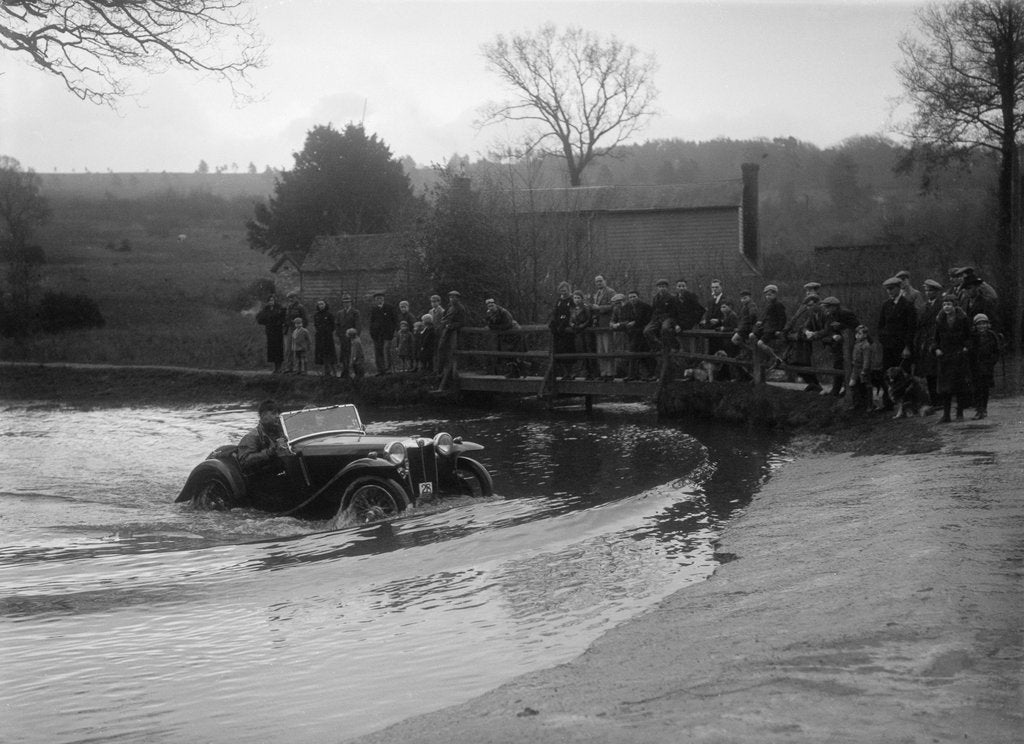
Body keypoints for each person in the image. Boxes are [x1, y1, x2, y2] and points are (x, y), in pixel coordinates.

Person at [876, 276, 917, 410]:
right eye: (887, 289)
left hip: (901, 346)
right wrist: (883, 339)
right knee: (886, 374)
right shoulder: (885, 305)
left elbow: (911, 328)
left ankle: (905, 405)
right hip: (888, 346)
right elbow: (881, 325)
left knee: (902, 377)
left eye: (892, 289)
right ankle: (888, 403)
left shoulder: (907, 305)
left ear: (899, 288)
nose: (889, 291)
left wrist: (907, 347)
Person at [808, 296, 859, 397]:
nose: (826, 309)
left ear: (834, 307)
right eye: (825, 307)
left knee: (850, 366)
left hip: (853, 344)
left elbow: (856, 326)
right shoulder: (830, 315)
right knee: (838, 365)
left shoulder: (845, 313)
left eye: (827, 307)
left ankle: (848, 390)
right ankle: (837, 390)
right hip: (839, 345)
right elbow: (830, 329)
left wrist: (842, 329)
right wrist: (834, 335)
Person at [933, 294, 971, 423]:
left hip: (959, 355)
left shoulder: (963, 318)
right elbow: (935, 338)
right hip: (945, 357)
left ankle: (959, 413)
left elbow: (969, 336)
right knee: (945, 388)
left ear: (955, 305)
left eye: (949, 304)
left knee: (959, 385)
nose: (946, 307)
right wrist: (936, 349)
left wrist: (966, 347)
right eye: (944, 305)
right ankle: (946, 415)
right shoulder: (940, 320)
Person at [237, 399, 289, 476]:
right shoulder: (252, 436)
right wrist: (270, 452)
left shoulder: (284, 431)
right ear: (263, 415)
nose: (278, 416)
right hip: (263, 476)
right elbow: (245, 461)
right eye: (274, 413)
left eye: (278, 413)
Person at [783, 292, 822, 391]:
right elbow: (793, 320)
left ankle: (815, 384)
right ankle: (814, 384)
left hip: (803, 341)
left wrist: (800, 333)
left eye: (811, 305)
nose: (809, 307)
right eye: (807, 305)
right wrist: (786, 331)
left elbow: (807, 326)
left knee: (803, 363)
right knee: (794, 362)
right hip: (796, 340)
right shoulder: (803, 309)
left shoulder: (817, 312)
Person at [914, 279, 944, 408]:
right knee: (929, 373)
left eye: (930, 290)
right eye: (926, 290)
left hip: (938, 341)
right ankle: (934, 400)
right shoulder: (924, 307)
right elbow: (920, 326)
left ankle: (942, 400)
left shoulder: (942, 305)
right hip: (926, 343)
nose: (928, 293)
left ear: (937, 292)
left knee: (939, 372)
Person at [613, 290, 652, 381]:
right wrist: (625, 323)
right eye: (630, 297)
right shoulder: (626, 307)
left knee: (646, 355)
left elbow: (648, 319)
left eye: (634, 297)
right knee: (633, 354)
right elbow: (622, 319)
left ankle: (648, 375)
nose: (632, 299)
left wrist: (636, 322)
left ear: (638, 297)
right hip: (632, 334)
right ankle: (633, 375)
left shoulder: (645, 307)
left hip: (642, 334)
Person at [968, 313, 1001, 419]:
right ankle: (979, 409)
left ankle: (984, 409)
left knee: (985, 388)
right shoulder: (972, 336)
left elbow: (997, 351)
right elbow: (969, 350)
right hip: (975, 366)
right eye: (979, 324)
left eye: (984, 324)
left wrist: (992, 362)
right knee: (976, 388)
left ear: (988, 325)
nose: (981, 326)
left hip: (987, 366)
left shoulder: (992, 335)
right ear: (975, 326)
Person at [436, 289, 467, 388]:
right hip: (445, 332)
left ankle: (450, 372)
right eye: (450, 297)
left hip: (453, 333)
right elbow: (445, 317)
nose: (451, 299)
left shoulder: (460, 308)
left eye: (454, 297)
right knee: (441, 349)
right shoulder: (449, 307)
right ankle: (440, 371)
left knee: (452, 352)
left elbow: (462, 322)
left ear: (458, 298)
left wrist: (451, 326)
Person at [590, 275, 617, 380]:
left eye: (600, 281)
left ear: (605, 281)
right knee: (600, 350)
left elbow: (614, 306)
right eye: (597, 281)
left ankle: (610, 373)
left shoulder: (611, 292)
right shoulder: (596, 294)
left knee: (608, 349)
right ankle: (603, 373)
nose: (599, 283)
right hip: (598, 325)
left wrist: (599, 308)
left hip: (607, 324)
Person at [485, 297, 520, 376]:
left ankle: (515, 372)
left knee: (511, 352)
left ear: (495, 305)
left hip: (513, 333)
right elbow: (489, 324)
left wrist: (496, 328)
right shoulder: (489, 313)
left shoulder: (503, 312)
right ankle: (508, 372)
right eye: (489, 306)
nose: (491, 308)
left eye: (492, 305)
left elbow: (508, 324)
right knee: (504, 353)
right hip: (504, 335)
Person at [549, 281, 576, 380]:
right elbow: (555, 312)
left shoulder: (571, 300)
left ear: (568, 290)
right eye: (561, 290)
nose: (563, 292)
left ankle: (570, 372)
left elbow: (573, 313)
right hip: (559, 329)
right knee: (559, 350)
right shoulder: (559, 300)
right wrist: (553, 322)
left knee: (568, 350)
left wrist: (566, 322)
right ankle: (565, 373)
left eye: (565, 290)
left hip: (567, 329)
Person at [849, 325, 878, 412]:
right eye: (856, 333)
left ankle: (870, 405)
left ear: (865, 335)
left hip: (863, 368)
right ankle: (856, 403)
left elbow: (866, 359)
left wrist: (864, 370)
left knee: (867, 385)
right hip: (855, 368)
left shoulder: (866, 346)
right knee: (852, 384)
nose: (857, 335)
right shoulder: (856, 344)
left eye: (859, 333)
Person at [255, 294, 287, 373]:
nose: (271, 302)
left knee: (278, 349)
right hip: (270, 331)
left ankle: (279, 367)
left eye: (272, 300)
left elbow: (284, 318)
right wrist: (266, 322)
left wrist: (279, 323)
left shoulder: (280, 308)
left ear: (275, 300)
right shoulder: (266, 309)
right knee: (272, 349)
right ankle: (275, 368)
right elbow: (259, 318)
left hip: (278, 331)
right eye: (269, 300)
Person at [369, 292, 397, 375]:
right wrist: (372, 333)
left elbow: (395, 320)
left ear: (383, 299)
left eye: (381, 298)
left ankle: (388, 369)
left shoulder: (390, 308)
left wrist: (393, 331)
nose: (379, 300)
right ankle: (380, 370)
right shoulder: (374, 309)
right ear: (375, 300)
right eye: (377, 299)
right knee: (378, 352)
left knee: (386, 351)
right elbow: (371, 322)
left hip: (387, 334)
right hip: (377, 335)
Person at [334, 293, 360, 379]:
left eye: (348, 302)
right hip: (343, 337)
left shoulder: (355, 312)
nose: (346, 304)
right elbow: (337, 325)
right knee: (344, 355)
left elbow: (358, 325)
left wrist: (355, 335)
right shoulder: (339, 313)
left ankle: (356, 373)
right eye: (344, 302)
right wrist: (338, 335)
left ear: (351, 302)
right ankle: (345, 372)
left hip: (352, 337)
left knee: (353, 355)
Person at [570, 289, 595, 379]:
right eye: (575, 298)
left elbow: (589, 320)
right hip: (577, 333)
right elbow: (571, 319)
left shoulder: (586, 308)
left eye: (578, 298)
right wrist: (572, 324)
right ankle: (582, 371)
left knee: (588, 350)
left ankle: (591, 372)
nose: (577, 300)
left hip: (586, 332)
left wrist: (581, 326)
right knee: (580, 351)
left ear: (582, 299)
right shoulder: (573, 309)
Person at [700, 278, 728, 354]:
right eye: (713, 287)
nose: (714, 289)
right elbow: (708, 314)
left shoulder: (726, 300)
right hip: (711, 331)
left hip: (721, 332)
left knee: (721, 352)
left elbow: (728, 316)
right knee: (711, 352)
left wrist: (718, 320)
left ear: (721, 288)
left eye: (716, 287)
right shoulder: (710, 301)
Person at [282, 290, 307, 373]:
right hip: (288, 330)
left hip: (297, 331)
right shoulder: (288, 307)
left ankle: (298, 368)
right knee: (288, 350)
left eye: (292, 298)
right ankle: (288, 368)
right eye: (289, 298)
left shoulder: (300, 307)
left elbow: (305, 320)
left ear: (296, 298)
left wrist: (301, 329)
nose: (291, 299)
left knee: (297, 350)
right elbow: (286, 318)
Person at [312, 299, 337, 377]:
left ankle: (334, 371)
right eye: (319, 304)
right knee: (322, 354)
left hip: (328, 337)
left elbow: (333, 326)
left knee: (329, 354)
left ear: (325, 305)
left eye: (322, 304)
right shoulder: (316, 315)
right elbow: (315, 325)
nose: (321, 306)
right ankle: (326, 371)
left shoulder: (329, 315)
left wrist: (327, 331)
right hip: (319, 337)